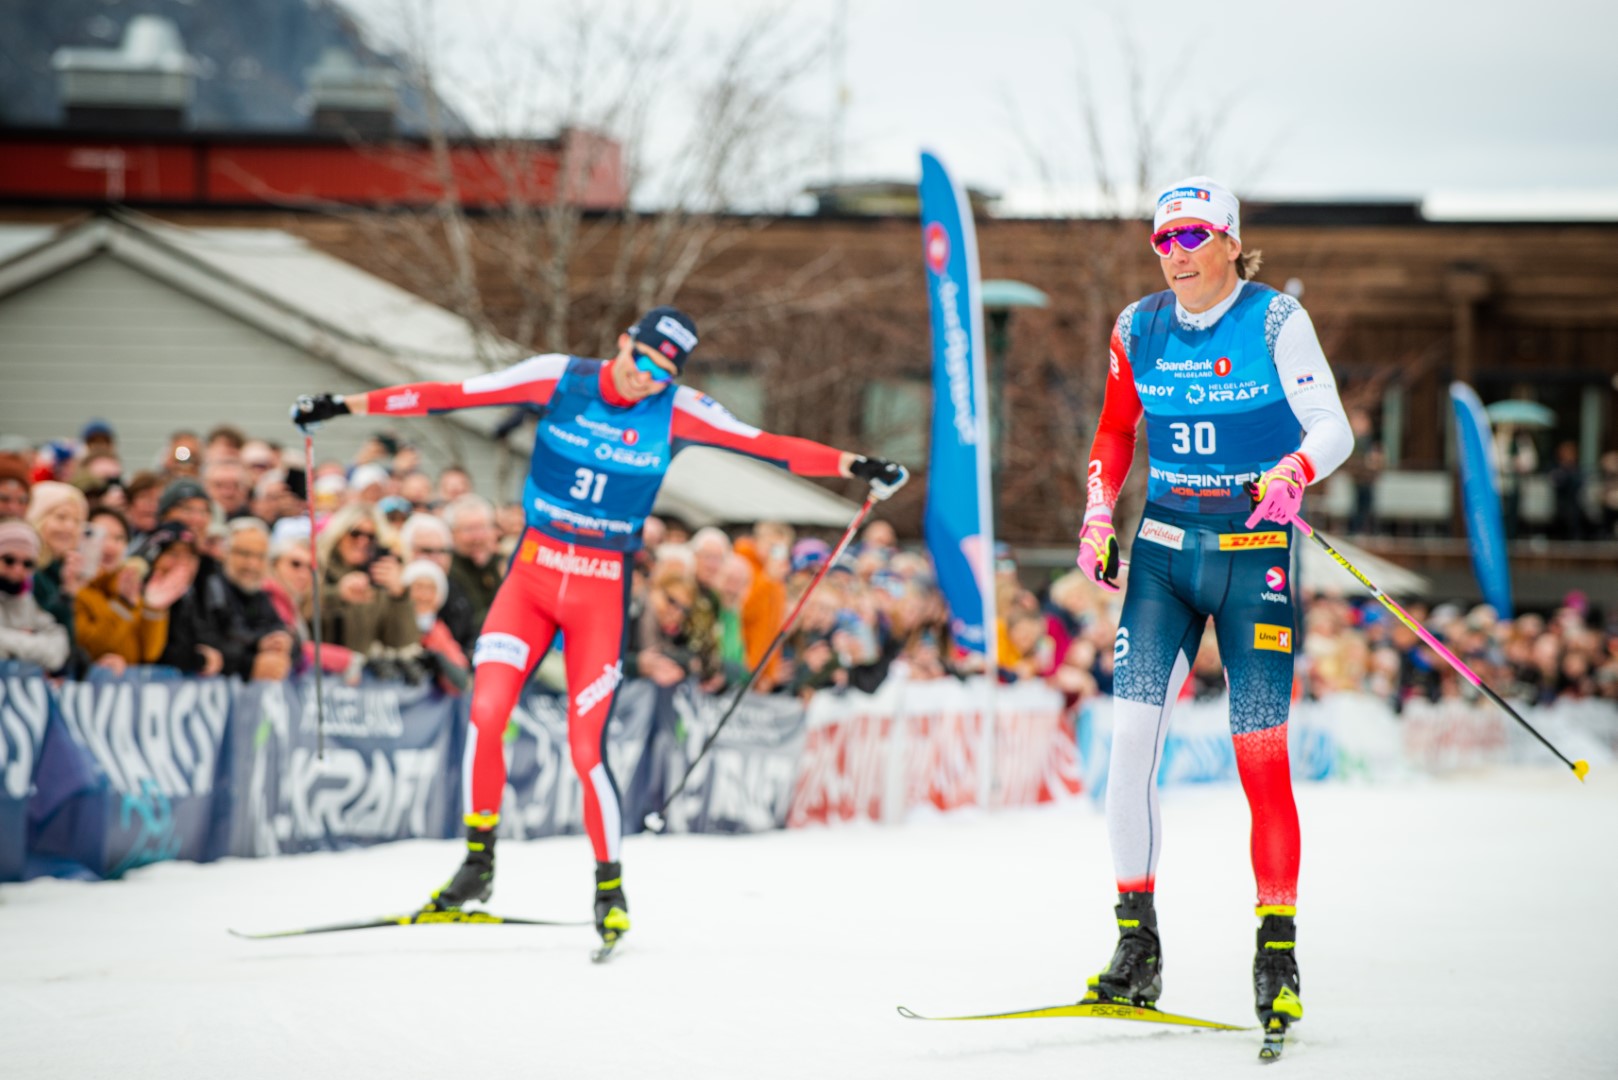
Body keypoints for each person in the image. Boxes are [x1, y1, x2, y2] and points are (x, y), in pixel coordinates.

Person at [291, 304, 907, 952]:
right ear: (623, 343)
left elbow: (769, 446)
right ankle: (478, 863)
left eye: (664, 372)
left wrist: (856, 466)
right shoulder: (560, 377)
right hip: (530, 581)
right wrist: (343, 406)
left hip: (598, 593)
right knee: (487, 711)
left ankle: (609, 889)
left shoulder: (678, 409)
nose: (648, 378)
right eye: (643, 361)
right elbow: (450, 395)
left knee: (587, 750)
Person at [1071, 178, 1352, 1048]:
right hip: (1162, 556)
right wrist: (1097, 513)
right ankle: (1136, 947)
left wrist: (1294, 470)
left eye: (1195, 235)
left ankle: (1277, 954)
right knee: (1129, 746)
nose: (1178, 252)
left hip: (1251, 555)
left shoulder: (1274, 320)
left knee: (1260, 757)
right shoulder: (1137, 326)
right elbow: (1116, 430)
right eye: (1165, 239)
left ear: (1231, 241)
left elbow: (1331, 425)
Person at [0, 520, 70, 672]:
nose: (18, 569)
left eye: (27, 564)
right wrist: (30, 640)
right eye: (9, 560)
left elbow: (58, 648)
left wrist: (12, 643)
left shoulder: (28, 601)